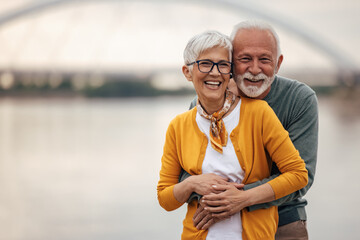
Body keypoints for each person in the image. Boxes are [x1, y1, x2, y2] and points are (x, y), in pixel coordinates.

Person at [157, 30, 308, 240]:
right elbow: (165, 198)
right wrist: (192, 184)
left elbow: (298, 175)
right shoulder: (178, 126)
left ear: (230, 72)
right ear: (187, 72)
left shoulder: (259, 113)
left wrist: (243, 198)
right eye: (205, 64)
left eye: (223, 65)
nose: (215, 72)